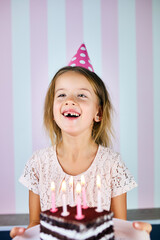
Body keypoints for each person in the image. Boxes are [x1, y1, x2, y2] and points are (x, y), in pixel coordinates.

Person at [10, 44, 152, 238]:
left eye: (81, 95)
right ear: (52, 111)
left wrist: (138, 233)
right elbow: (36, 225)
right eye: (61, 95)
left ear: (98, 113)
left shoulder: (112, 165)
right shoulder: (38, 164)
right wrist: (22, 235)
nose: (69, 100)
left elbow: (119, 228)